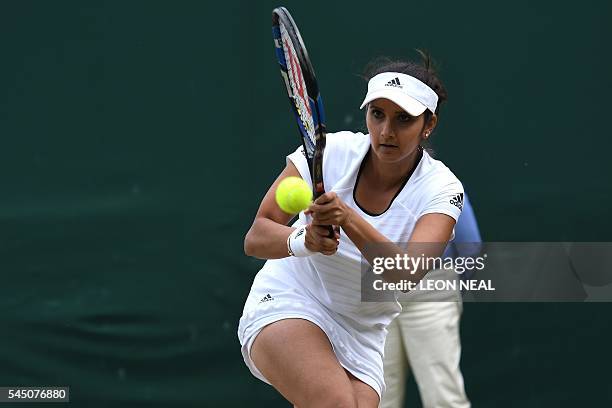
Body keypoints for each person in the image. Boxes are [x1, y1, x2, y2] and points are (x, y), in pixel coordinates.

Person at [238, 52, 464, 408]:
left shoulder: (442, 189)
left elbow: (404, 275)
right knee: (336, 403)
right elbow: (256, 237)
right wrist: (304, 240)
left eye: (403, 119)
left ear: (428, 124)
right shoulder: (330, 153)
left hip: (363, 329)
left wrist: (347, 217)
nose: (386, 131)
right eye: (378, 115)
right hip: (292, 298)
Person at [380, 192, 481, 408]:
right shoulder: (360, 184)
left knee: (442, 397)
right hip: (375, 295)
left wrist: (445, 290)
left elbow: (470, 248)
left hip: (430, 290)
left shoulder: (444, 185)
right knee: (376, 396)